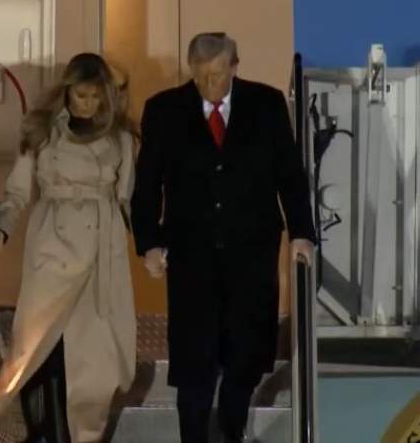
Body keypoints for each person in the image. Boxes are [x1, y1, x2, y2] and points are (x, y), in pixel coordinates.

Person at [130, 32, 316, 443]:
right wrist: (149, 242)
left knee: (245, 356)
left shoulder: (266, 105)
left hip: (251, 251)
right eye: (199, 76)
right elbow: (147, 185)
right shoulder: (164, 109)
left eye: (216, 75)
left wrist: (302, 232)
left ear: (234, 66)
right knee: (194, 363)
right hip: (191, 254)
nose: (208, 84)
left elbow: (289, 174)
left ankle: (232, 430)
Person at [0, 53, 137, 443]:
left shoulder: (122, 137)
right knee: (33, 351)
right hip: (53, 245)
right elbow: (16, 193)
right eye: (81, 95)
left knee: (97, 361)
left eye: (96, 97)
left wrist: (146, 245)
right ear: (66, 91)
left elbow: (127, 199)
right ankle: (17, 428)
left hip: (102, 250)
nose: (88, 104)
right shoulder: (42, 130)